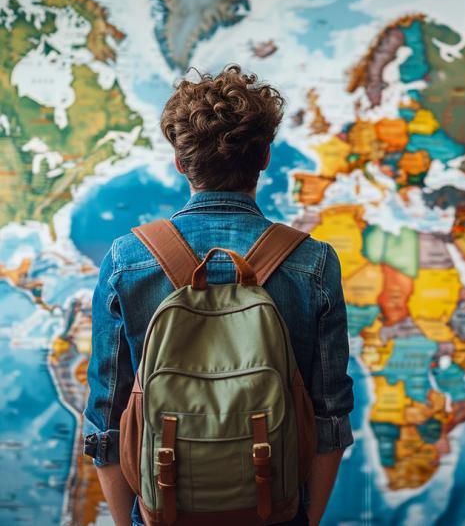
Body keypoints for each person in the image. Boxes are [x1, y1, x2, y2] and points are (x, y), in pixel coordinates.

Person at [83, 65, 354, 526]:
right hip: (274, 509)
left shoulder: (127, 259)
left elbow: (105, 423)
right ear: (265, 156)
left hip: (161, 509)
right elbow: (330, 421)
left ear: (179, 161)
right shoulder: (314, 263)